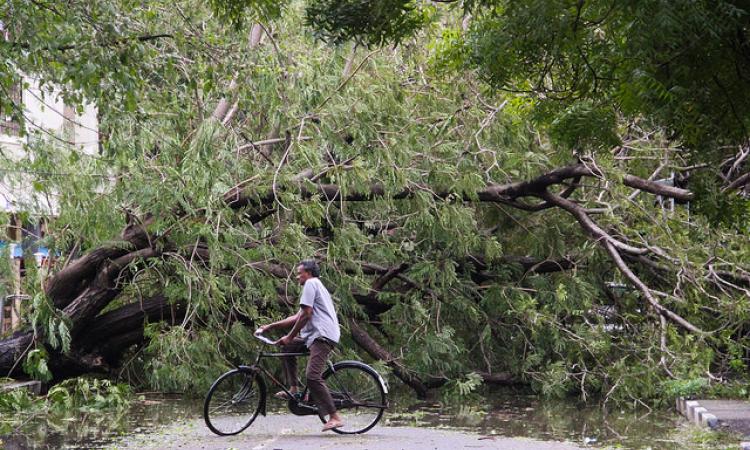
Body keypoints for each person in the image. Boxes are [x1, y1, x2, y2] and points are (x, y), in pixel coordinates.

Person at [256, 259, 344, 432]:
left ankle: (334, 417)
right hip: (314, 335)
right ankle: (294, 389)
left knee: (312, 376)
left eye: (299, 273)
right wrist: (270, 326)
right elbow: (298, 317)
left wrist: (290, 336)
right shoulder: (314, 285)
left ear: (308, 273)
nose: (297, 277)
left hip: (322, 335)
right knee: (287, 348)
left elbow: (306, 316)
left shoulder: (311, 284)